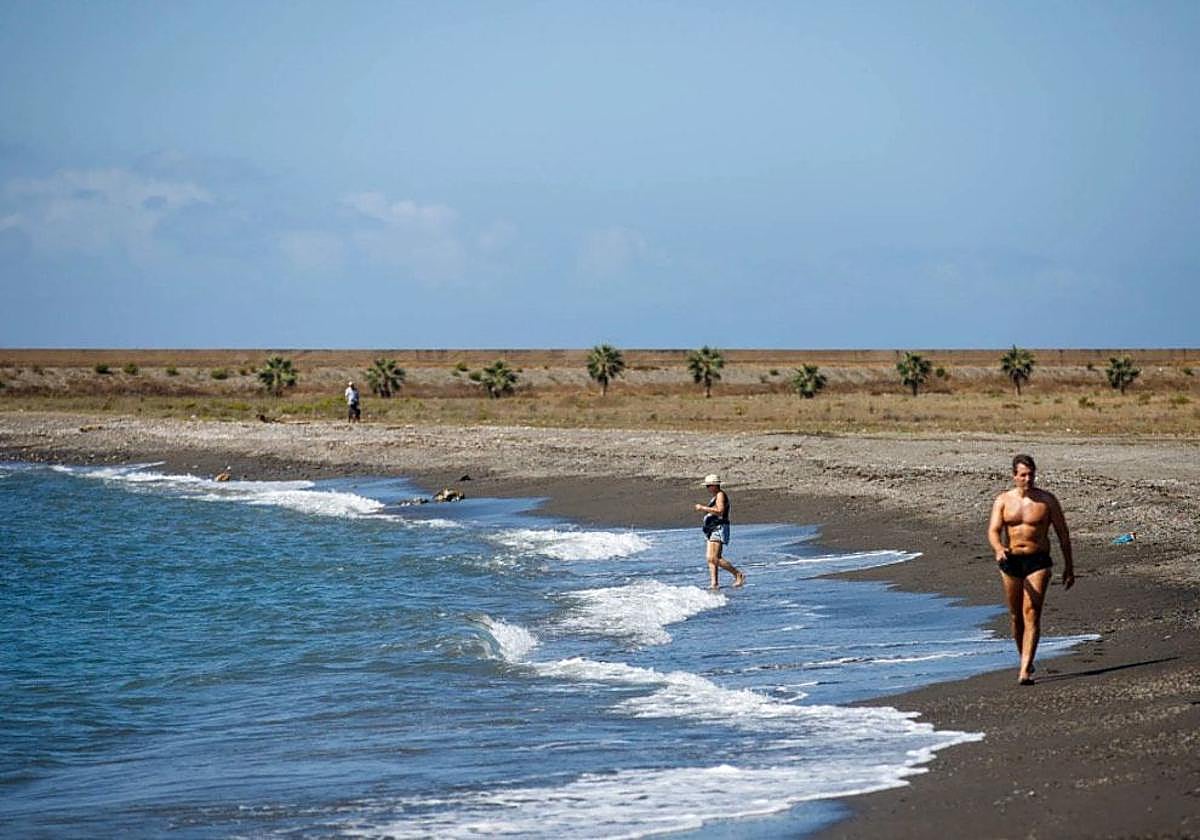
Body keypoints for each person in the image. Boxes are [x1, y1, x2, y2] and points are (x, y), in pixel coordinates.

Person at [987, 454, 1075, 685]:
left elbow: (1063, 535)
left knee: (1032, 612)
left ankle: (1025, 670)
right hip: (1011, 560)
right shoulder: (1003, 500)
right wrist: (998, 548)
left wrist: (1069, 566)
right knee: (1016, 616)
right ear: (1014, 476)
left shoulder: (1047, 501)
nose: (1028, 479)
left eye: (1031, 474)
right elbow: (994, 530)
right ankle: (1024, 656)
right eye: (1023, 475)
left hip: (1038, 561)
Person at [694, 474, 745, 589]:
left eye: (708, 486)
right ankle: (714, 583)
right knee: (710, 558)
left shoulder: (720, 495)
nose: (707, 488)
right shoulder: (716, 496)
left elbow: (720, 511)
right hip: (712, 528)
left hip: (718, 528)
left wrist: (703, 508)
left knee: (714, 558)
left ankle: (738, 574)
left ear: (714, 485)